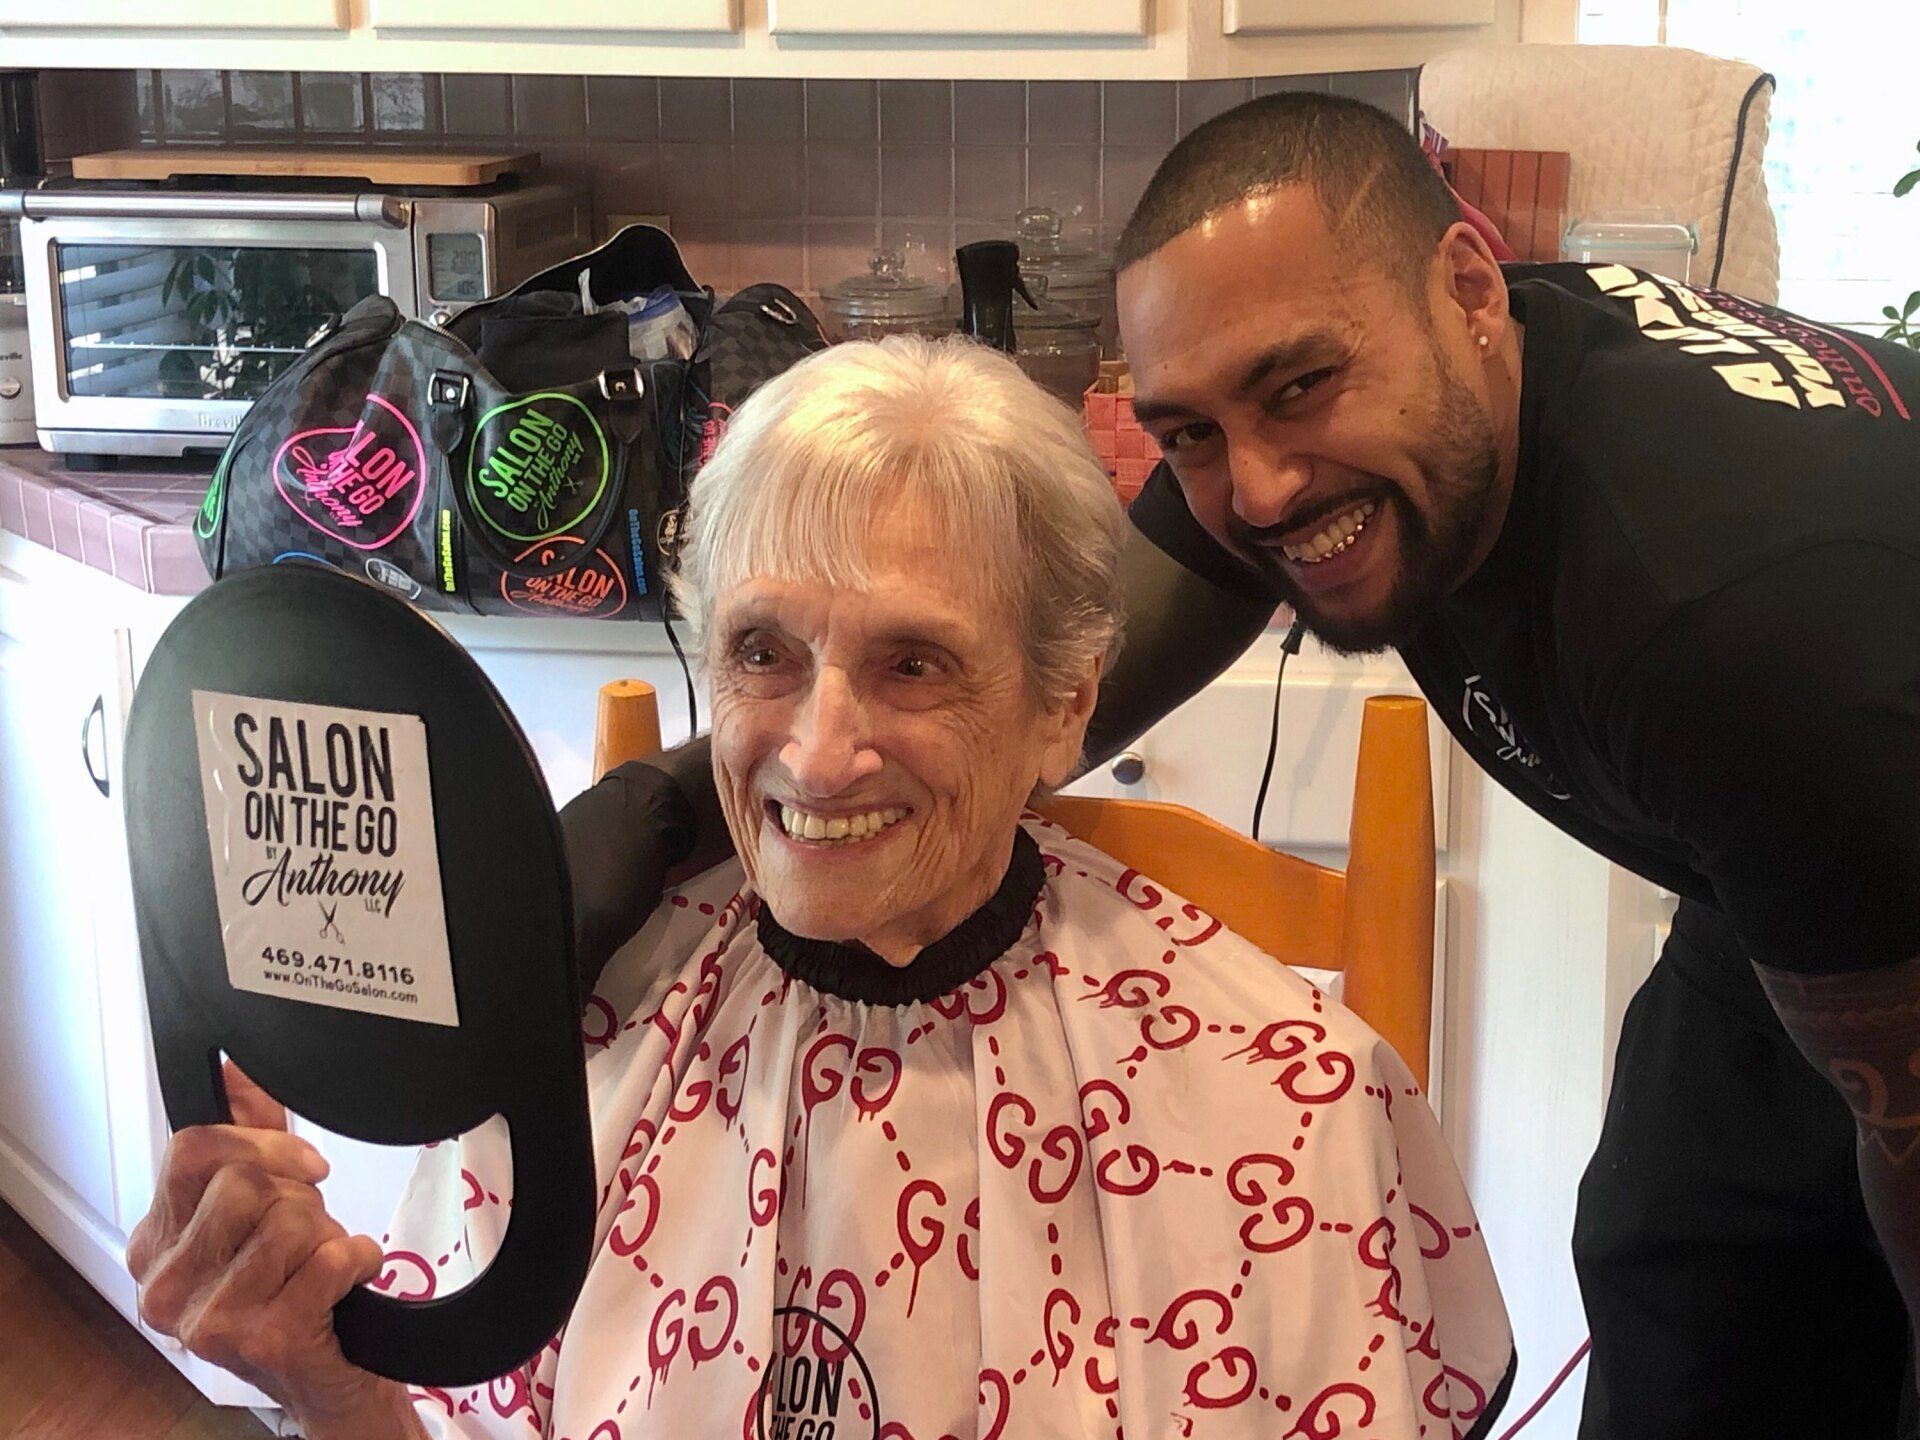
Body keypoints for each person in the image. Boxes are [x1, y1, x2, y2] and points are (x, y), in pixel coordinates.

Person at [560, 93, 1920, 1438]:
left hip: (1846, 785)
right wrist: (677, 800)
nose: (1259, 491)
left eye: (1296, 391)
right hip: (1793, 863)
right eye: (1193, 432)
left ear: (1465, 291)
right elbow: (1049, 682)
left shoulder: (1723, 629)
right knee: (1677, 1281)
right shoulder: (1416, 382)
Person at [126, 337, 1514, 1440]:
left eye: (915, 664)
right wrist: (337, 1385)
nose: (816, 750)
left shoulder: (1284, 1105)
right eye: (763, 652)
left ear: (1066, 701)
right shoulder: (580, 1028)